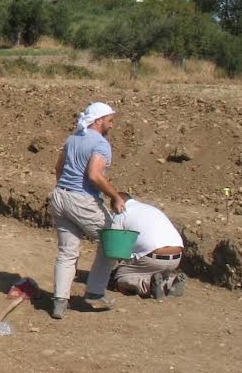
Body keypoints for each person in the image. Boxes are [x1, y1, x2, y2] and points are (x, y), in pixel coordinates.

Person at [49, 101, 125, 319]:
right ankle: (95, 292)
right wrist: (115, 196)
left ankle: (59, 302)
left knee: (67, 251)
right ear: (98, 120)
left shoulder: (72, 138)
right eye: (110, 120)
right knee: (113, 241)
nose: (112, 125)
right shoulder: (100, 144)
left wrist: (63, 189)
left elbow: (58, 167)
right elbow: (94, 175)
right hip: (81, 200)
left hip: (59, 196)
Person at [110, 194, 188, 299]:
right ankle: (170, 283)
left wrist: (119, 266)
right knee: (154, 273)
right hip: (176, 257)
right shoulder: (150, 208)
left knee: (120, 277)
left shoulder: (120, 212)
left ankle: (147, 286)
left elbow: (116, 247)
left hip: (153, 257)